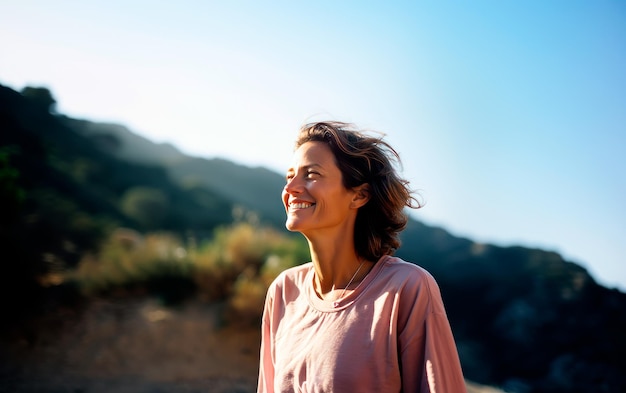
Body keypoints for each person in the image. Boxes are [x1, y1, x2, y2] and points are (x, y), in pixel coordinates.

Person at [257, 121, 466, 392]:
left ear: (359, 195)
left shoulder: (407, 288)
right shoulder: (284, 292)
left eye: (311, 175)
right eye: (290, 176)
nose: (291, 188)